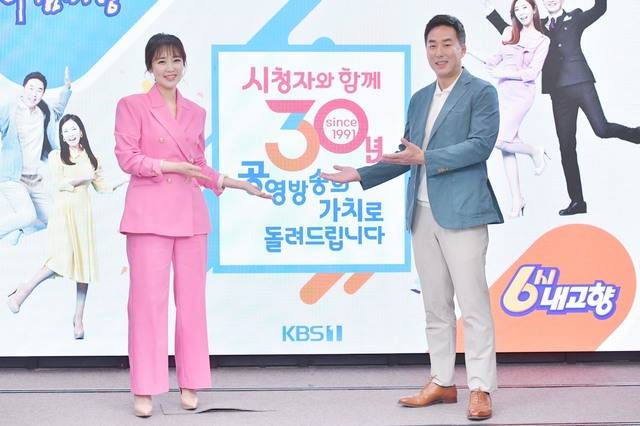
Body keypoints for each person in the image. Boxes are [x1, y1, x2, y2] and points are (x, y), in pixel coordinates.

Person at [321, 15, 502, 421]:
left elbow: (480, 146)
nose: (439, 52)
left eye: (447, 44)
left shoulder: (481, 92)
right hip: (421, 213)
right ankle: (442, 381)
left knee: (473, 306)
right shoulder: (420, 98)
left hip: (463, 212)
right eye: (432, 45)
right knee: (435, 306)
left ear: (462, 48)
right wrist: (362, 174)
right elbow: (409, 156)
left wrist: (428, 157)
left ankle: (480, 388)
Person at [114, 33, 271, 418]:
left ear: (184, 64)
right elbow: (127, 158)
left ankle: (190, 381)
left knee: (191, 305)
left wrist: (234, 183)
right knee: (147, 305)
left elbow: (198, 166)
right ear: (150, 67)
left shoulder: (195, 112)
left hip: (190, 215)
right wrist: (167, 166)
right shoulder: (131, 106)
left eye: (176, 60)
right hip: (148, 217)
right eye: (161, 61)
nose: (170, 68)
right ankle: (145, 387)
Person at [485, 0, 640, 215]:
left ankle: (637, 135)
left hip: (581, 83)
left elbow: (600, 9)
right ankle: (577, 202)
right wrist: (491, 14)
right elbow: (512, 31)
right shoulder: (537, 27)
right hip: (558, 92)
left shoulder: (576, 17)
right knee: (566, 145)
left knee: (602, 129)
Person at [6, 114, 125, 339]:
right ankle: (23, 290)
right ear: (61, 135)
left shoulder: (92, 158)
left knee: (84, 267)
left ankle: (78, 318)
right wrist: (82, 178)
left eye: (73, 129)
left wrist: (127, 179)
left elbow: (103, 187)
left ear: (81, 131)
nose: (70, 134)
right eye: (66, 131)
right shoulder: (56, 156)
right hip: (62, 215)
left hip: (82, 217)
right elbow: (59, 184)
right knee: (58, 260)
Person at [484, 0, 550, 218]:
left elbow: (532, 73)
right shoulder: (508, 32)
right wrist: (467, 52)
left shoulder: (543, 40)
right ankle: (517, 198)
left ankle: (534, 151)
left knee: (499, 140)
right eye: (517, 9)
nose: (521, 12)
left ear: (534, 9)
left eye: (524, 7)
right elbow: (495, 59)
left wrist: (503, 73)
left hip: (522, 94)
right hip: (504, 92)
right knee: (508, 144)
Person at [0, 69, 72, 245]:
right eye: (31, 88)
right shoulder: (9, 110)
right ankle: (19, 228)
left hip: (33, 179)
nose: (34, 94)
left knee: (57, 222)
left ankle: (20, 231)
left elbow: (57, 111)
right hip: (12, 177)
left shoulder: (43, 111)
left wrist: (67, 89)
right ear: (23, 88)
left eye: (39, 90)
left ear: (43, 94)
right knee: (27, 215)